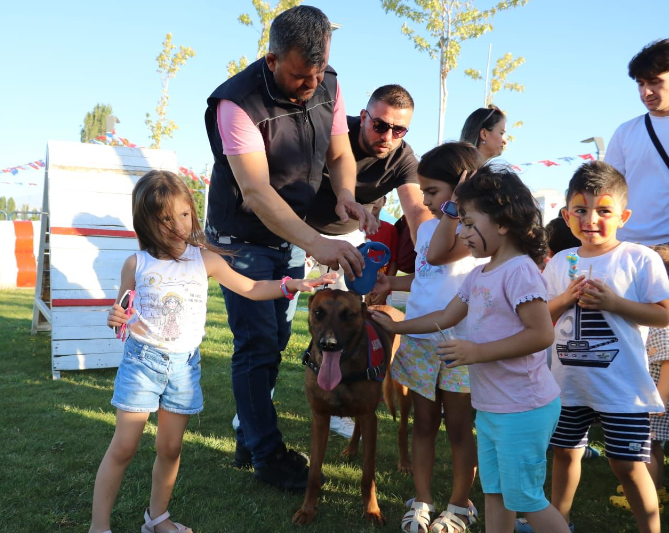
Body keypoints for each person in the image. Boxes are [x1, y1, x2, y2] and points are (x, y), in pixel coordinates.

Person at [90, 171, 336, 533]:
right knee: (124, 447)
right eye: (166, 219)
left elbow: (251, 288)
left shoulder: (205, 260)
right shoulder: (135, 265)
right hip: (142, 364)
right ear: (146, 222)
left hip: (184, 368)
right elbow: (122, 316)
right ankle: (99, 526)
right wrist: (116, 318)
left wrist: (292, 285)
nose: (178, 226)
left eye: (185, 215)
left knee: (170, 448)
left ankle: (157, 518)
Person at [203, 5, 374, 491]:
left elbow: (341, 153)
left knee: (277, 342)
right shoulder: (236, 103)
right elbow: (256, 193)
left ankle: (249, 437)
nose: (310, 85)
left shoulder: (329, 84)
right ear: (272, 59)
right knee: (257, 347)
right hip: (241, 237)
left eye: (317, 74)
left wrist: (345, 194)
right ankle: (269, 456)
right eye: (300, 75)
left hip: (289, 233)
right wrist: (320, 241)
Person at [370, 166, 570, 533]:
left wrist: (477, 352)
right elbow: (446, 315)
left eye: (468, 223)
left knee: (525, 497)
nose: (461, 234)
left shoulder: (520, 271)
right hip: (493, 407)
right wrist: (397, 326)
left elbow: (542, 334)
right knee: (495, 492)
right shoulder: (479, 274)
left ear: (503, 222)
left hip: (524, 408)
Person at [538, 162, 669, 533]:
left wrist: (615, 304)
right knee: (564, 453)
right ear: (566, 215)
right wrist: (565, 299)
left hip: (623, 387)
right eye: (580, 209)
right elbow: (543, 316)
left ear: (623, 216)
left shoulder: (639, 259)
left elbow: (664, 315)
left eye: (604, 210)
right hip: (568, 385)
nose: (591, 219)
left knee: (627, 465)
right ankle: (558, 521)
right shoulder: (560, 262)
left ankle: (651, 529)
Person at [369, 142, 484, 533]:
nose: (425, 199)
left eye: (433, 191)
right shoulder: (433, 226)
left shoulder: (475, 231)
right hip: (420, 342)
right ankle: (422, 498)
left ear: (461, 188)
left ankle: (459, 503)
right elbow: (425, 273)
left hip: (458, 344)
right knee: (421, 422)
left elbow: (438, 257)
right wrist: (392, 281)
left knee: (457, 428)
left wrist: (455, 210)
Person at [305, 84, 430, 291]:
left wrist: (429, 252)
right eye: (380, 125)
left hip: (349, 237)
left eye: (399, 130)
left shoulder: (403, 160)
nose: (387, 137)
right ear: (363, 117)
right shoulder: (334, 132)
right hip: (304, 229)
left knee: (348, 309)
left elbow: (417, 208)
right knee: (280, 299)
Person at [609, 245, 669, 512]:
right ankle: (658, 488)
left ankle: (651, 492)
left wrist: (661, 398)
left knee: (647, 448)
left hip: (655, 400)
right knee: (652, 447)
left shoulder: (663, 326)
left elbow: (667, 363)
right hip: (653, 396)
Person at [605, 38, 669, 247]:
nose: (645, 92)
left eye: (654, 82)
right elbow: (606, 191)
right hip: (628, 246)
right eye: (640, 83)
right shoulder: (626, 132)